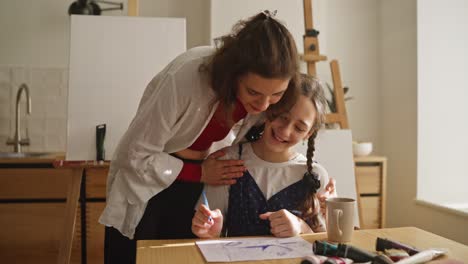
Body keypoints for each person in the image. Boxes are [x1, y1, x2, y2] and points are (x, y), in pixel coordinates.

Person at [99, 10, 300, 264]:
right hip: (147, 186)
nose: (263, 105)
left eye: (276, 95)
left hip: (198, 190)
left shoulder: (268, 100)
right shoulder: (187, 76)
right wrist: (200, 173)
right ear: (234, 73)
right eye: (253, 92)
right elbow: (136, 155)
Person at [192, 75, 337, 238]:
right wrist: (210, 231)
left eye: (299, 128)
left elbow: (324, 244)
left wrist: (301, 226)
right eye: (283, 117)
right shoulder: (228, 161)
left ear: (308, 134)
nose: (285, 131)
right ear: (270, 109)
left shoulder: (315, 176)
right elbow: (209, 231)